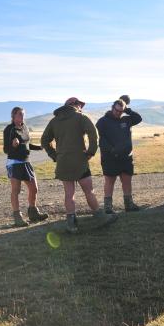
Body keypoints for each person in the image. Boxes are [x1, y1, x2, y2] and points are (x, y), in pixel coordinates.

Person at [41, 97, 117, 233]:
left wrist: (55, 155)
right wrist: (91, 152)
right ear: (74, 105)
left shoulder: (54, 121)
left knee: (69, 194)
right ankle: (101, 217)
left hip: (63, 162)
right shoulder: (80, 117)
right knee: (89, 190)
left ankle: (71, 224)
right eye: (80, 105)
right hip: (80, 160)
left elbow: (44, 140)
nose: (81, 107)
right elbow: (93, 134)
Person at [95, 95, 143, 213]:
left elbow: (138, 118)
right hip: (110, 158)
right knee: (109, 181)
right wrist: (111, 150)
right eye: (116, 110)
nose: (118, 113)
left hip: (126, 158)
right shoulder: (103, 121)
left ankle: (129, 205)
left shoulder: (126, 120)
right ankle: (108, 207)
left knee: (127, 180)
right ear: (112, 108)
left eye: (121, 111)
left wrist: (127, 110)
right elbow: (101, 139)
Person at [3, 107, 49, 227]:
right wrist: (13, 145)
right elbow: (6, 149)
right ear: (13, 116)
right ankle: (17, 217)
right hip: (14, 163)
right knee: (16, 190)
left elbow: (27, 144)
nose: (22, 117)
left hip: (26, 162)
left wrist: (39, 147)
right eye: (19, 115)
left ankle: (33, 213)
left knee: (34, 188)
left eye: (23, 115)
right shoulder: (9, 129)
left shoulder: (25, 128)